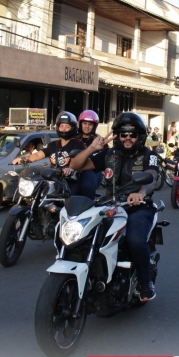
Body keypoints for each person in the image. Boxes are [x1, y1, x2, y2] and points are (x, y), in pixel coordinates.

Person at [69, 112, 160, 301]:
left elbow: (151, 176)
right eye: (123, 134)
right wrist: (92, 148)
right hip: (110, 204)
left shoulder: (148, 155)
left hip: (138, 206)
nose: (127, 138)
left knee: (135, 240)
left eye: (132, 134)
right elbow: (76, 165)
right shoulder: (109, 154)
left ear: (140, 137)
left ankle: (145, 283)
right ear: (117, 135)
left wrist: (141, 193)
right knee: (83, 234)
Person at [13, 111, 87, 194]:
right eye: (61, 126)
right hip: (53, 179)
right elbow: (38, 155)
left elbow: (77, 160)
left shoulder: (78, 144)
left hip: (69, 180)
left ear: (73, 127)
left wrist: (70, 168)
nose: (63, 129)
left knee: (68, 198)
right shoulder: (53, 144)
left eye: (67, 126)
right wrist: (24, 159)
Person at [77, 110, 102, 199]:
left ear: (94, 126)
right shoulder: (74, 139)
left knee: (86, 185)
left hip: (92, 170)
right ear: (80, 124)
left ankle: (89, 203)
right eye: (85, 123)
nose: (87, 126)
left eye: (90, 124)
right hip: (75, 169)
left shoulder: (99, 140)